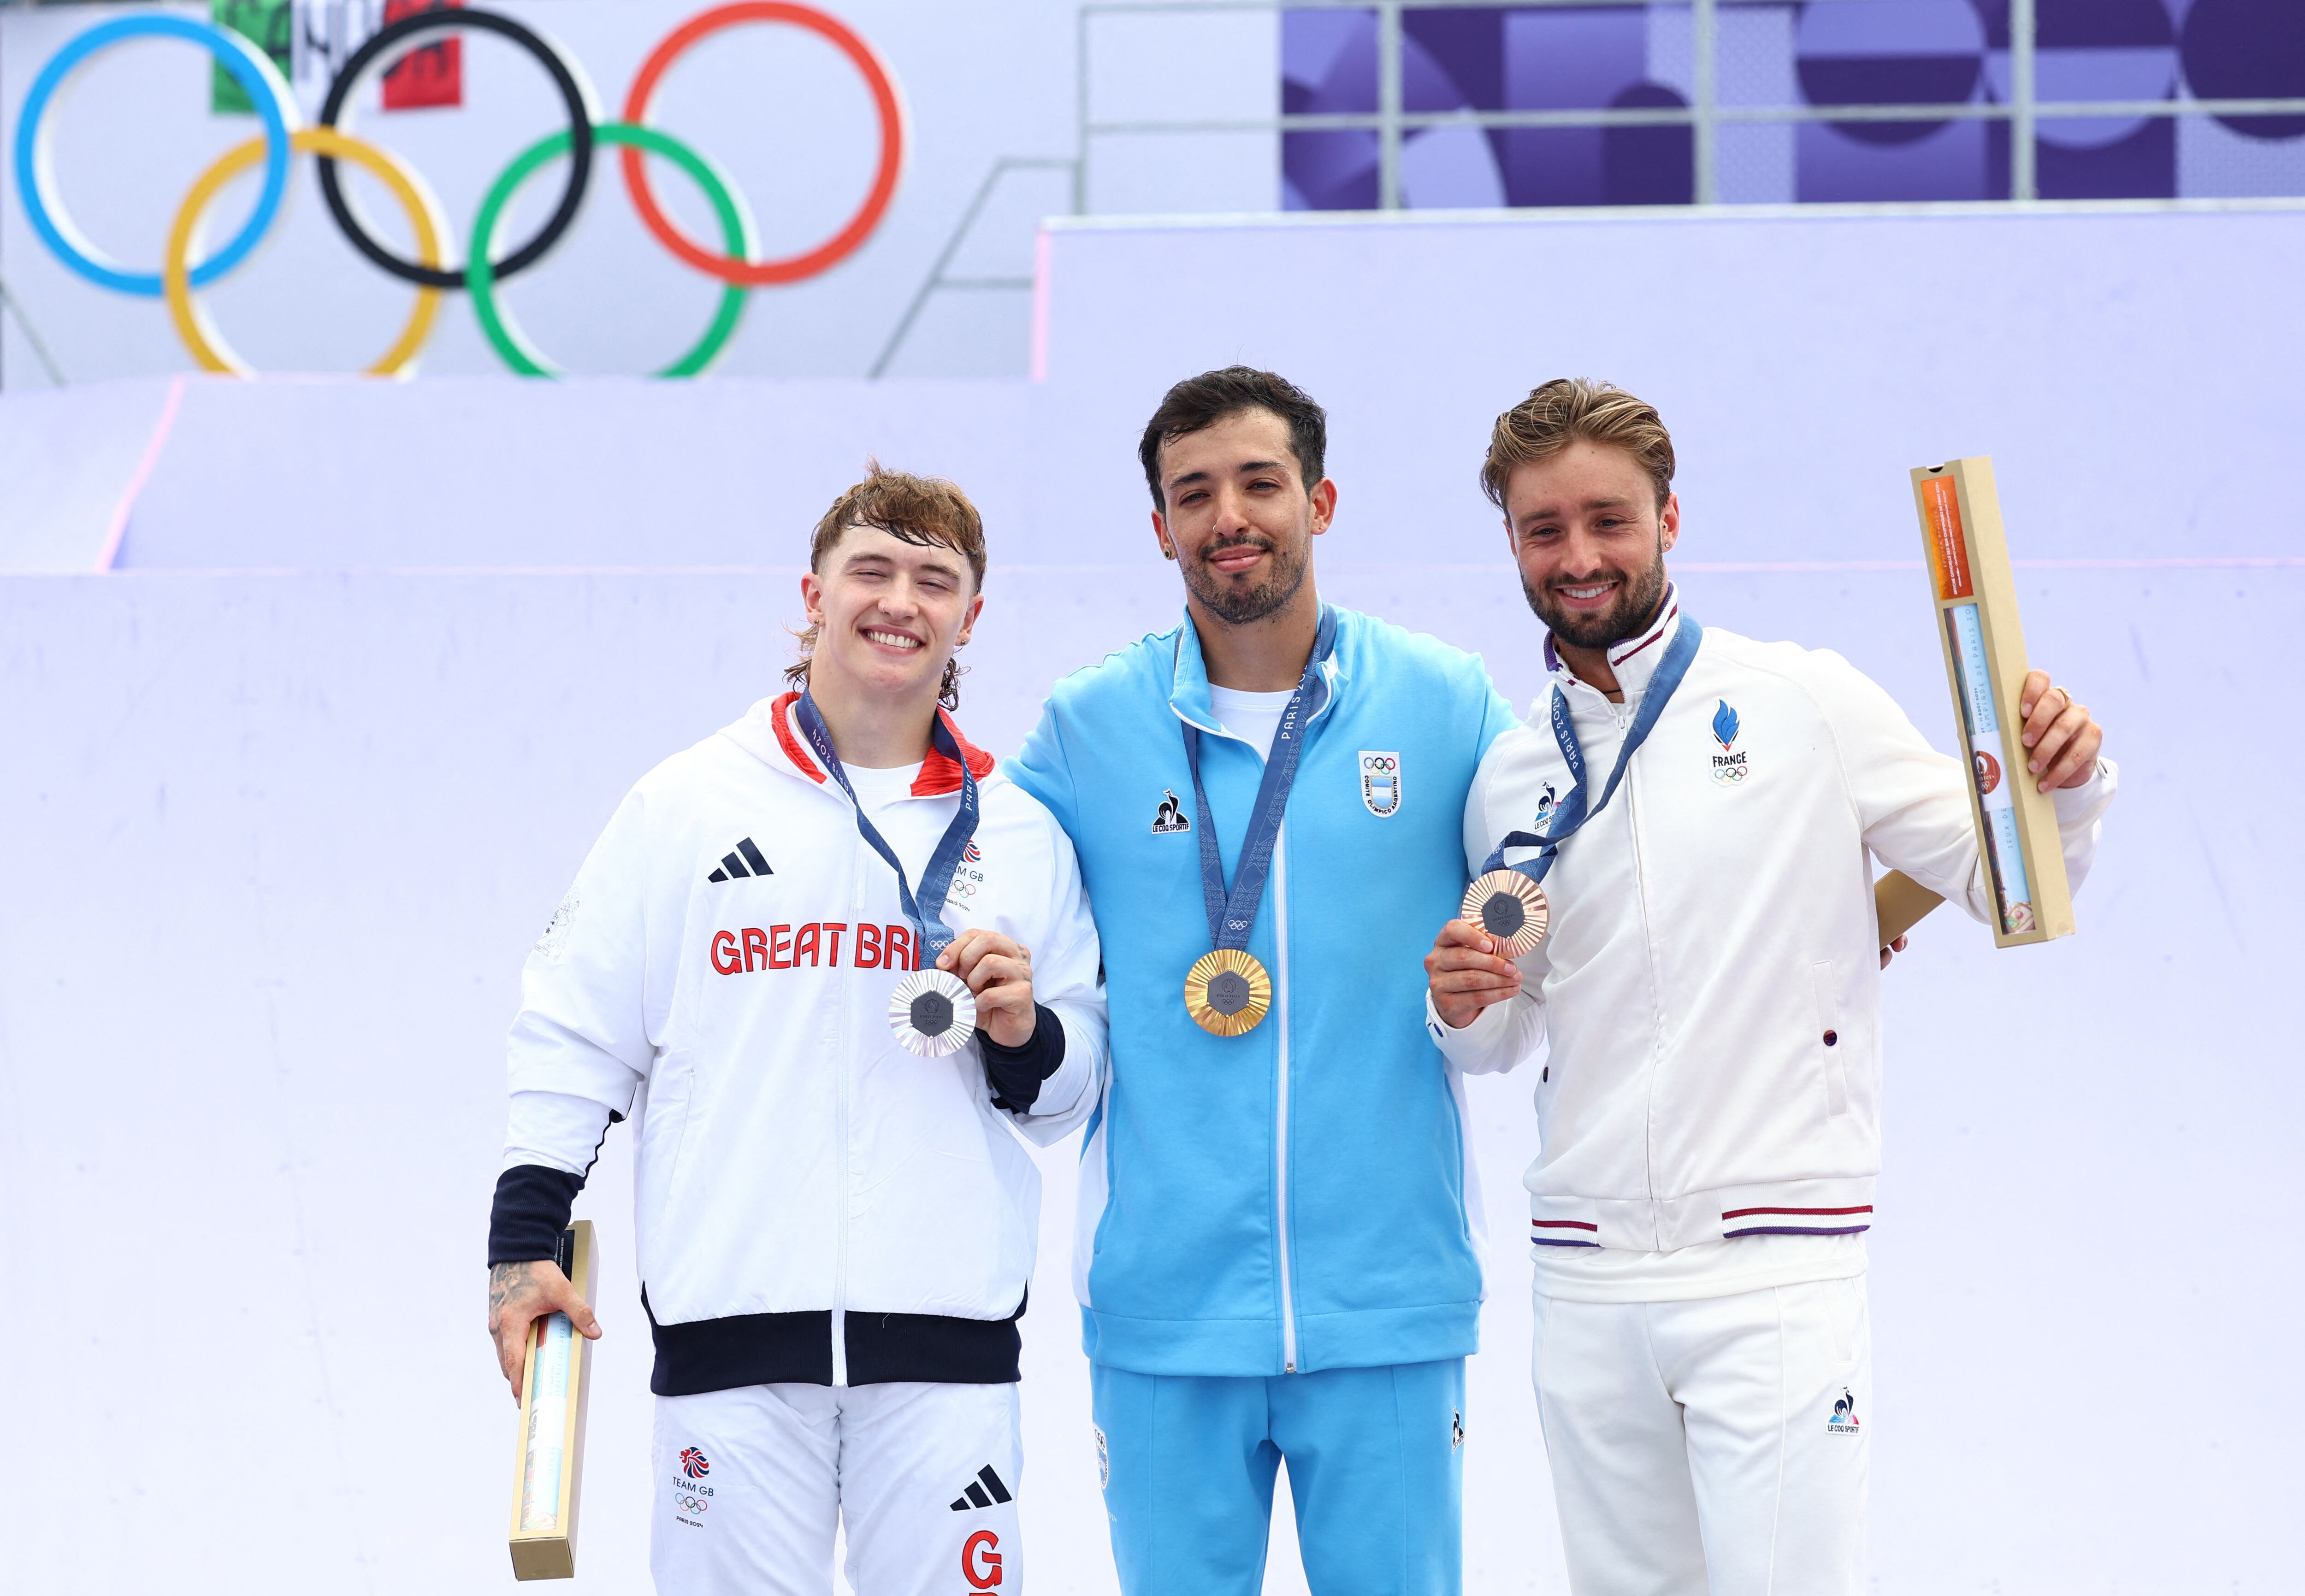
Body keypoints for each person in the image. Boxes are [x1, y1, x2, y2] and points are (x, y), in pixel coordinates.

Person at [1423, 379, 2115, 1596]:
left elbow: (2001, 879)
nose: (1579, 556)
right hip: (1585, 1279)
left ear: (1670, 520)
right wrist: (1465, 1002)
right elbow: (1507, 1040)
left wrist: (2065, 782)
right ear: (1514, 542)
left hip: (1775, 1273)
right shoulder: (1512, 768)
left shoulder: (1804, 698)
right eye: (1545, 529)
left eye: (1609, 519)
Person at [485, 465, 1109, 1596]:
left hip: (945, 1355)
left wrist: (1021, 1032)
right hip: (730, 1343)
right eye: (871, 568)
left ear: (973, 615)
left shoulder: (1020, 830)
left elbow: (1069, 1094)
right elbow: (574, 1031)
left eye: (935, 579)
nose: (899, 600)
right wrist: (521, 1246)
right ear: (811, 594)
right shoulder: (686, 805)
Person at [1007, 367, 1521, 1596]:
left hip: (1386, 1305)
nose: (1229, 515)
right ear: (1161, 528)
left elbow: (1574, 861)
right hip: (1165, 1315)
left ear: (1321, 500)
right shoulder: (1085, 729)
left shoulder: (1445, 705)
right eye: (1196, 493)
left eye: (1260, 483)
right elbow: (962, 870)